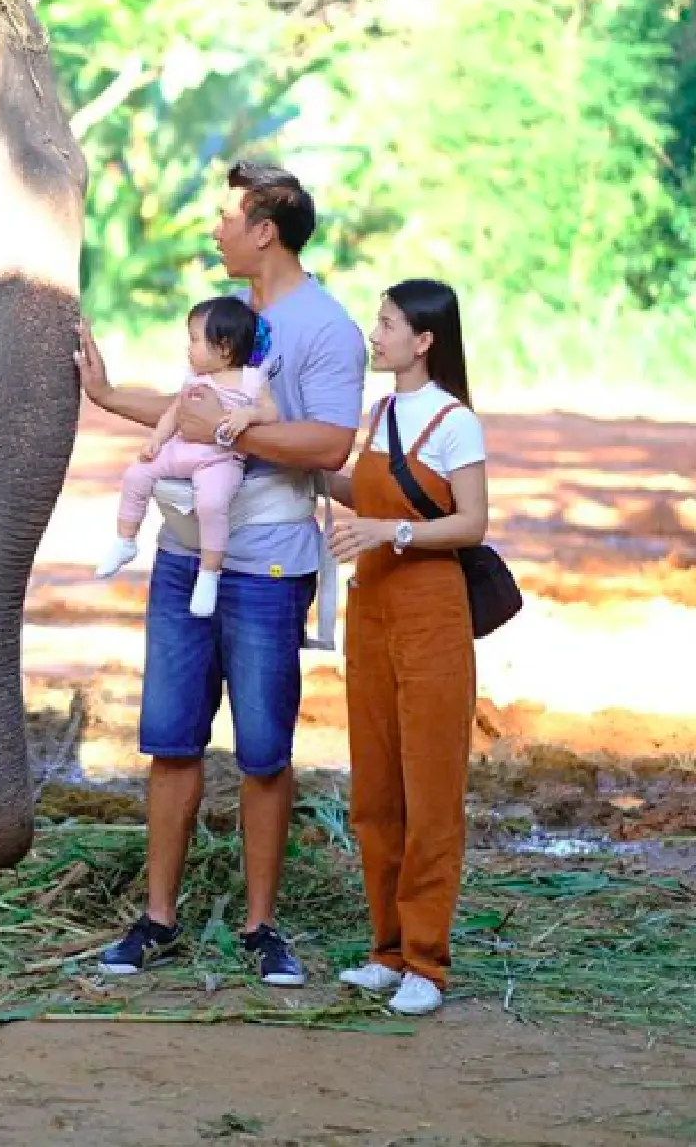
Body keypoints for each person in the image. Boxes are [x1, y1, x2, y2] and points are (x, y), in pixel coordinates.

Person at [75, 161, 366, 985]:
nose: (215, 230)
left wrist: (236, 438)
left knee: (265, 750)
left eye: (226, 217)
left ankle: (261, 924)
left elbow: (329, 444)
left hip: (268, 564)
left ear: (264, 229)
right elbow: (189, 408)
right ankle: (157, 917)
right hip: (180, 557)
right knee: (171, 739)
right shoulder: (230, 318)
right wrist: (105, 395)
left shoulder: (326, 329)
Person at [325, 278, 488, 1016]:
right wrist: (273, 447)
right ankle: (386, 948)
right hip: (373, 611)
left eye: (387, 322)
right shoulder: (381, 411)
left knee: (430, 792)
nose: (375, 331)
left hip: (430, 614)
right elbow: (371, 493)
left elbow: (472, 523)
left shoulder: (454, 422)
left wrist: (389, 534)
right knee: (376, 791)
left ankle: (427, 958)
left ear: (424, 340)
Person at [93, 295, 279, 617]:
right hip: (181, 447)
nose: (188, 348)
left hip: (220, 458)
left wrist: (246, 415)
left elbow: (271, 413)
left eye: (194, 340)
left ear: (223, 347)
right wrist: (156, 440)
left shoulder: (250, 379)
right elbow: (174, 412)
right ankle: (126, 539)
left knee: (211, 503)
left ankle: (209, 573)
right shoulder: (196, 379)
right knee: (137, 475)